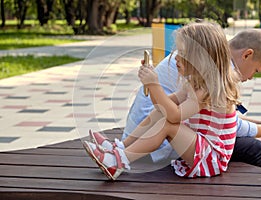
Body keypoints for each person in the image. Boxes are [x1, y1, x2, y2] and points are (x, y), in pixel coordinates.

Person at [83, 20, 241, 180]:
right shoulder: (194, 82)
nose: (176, 58)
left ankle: (118, 161)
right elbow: (162, 106)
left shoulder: (209, 89)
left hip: (212, 158)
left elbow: (174, 116)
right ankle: (120, 147)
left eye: (183, 53)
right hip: (200, 149)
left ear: (201, 59)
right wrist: (152, 86)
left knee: (168, 124)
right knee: (160, 113)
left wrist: (154, 84)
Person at [119, 25, 261, 169]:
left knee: (249, 144)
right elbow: (224, 124)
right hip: (156, 145)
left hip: (150, 135)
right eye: (256, 71)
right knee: (256, 149)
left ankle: (120, 151)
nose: (251, 77)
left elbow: (223, 120)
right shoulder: (211, 72)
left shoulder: (200, 58)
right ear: (247, 55)